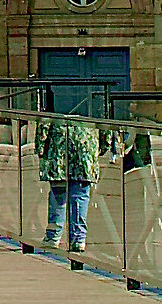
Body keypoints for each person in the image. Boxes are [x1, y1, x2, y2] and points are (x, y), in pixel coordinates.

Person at [35, 89, 119, 252]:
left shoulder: (53, 90)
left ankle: (54, 235)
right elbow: (106, 126)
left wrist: (41, 149)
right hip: (85, 148)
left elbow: (44, 125)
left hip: (59, 149)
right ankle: (78, 238)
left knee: (58, 194)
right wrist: (101, 148)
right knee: (80, 195)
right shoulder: (98, 93)